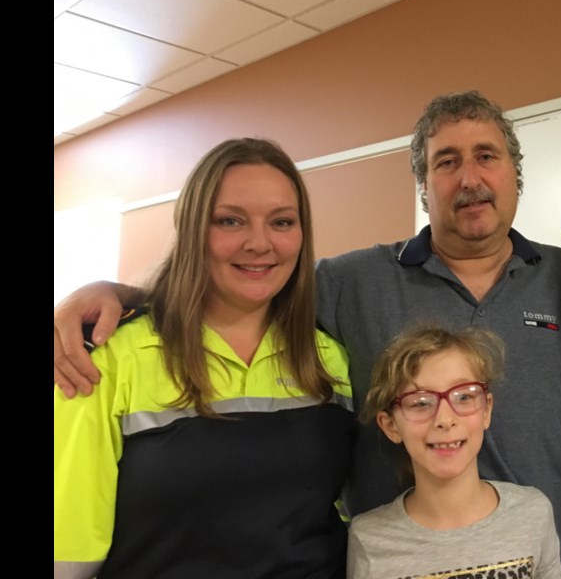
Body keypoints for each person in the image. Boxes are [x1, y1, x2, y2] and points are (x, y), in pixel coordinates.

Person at [53, 92, 561, 579]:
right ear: (422, 183)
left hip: (545, 560)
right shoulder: (347, 285)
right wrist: (118, 296)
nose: (468, 176)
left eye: (486, 156)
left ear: (516, 174)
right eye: (445, 161)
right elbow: (250, 284)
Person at [53, 138, 355, 579]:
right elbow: (69, 555)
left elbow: (343, 513)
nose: (260, 243)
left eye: (282, 221)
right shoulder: (107, 358)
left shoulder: (327, 357)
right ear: (192, 229)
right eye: (230, 221)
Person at [347, 324, 561, 579]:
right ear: (391, 425)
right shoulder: (370, 539)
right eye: (420, 403)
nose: (445, 419)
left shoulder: (533, 513)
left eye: (463, 396)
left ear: (486, 410)